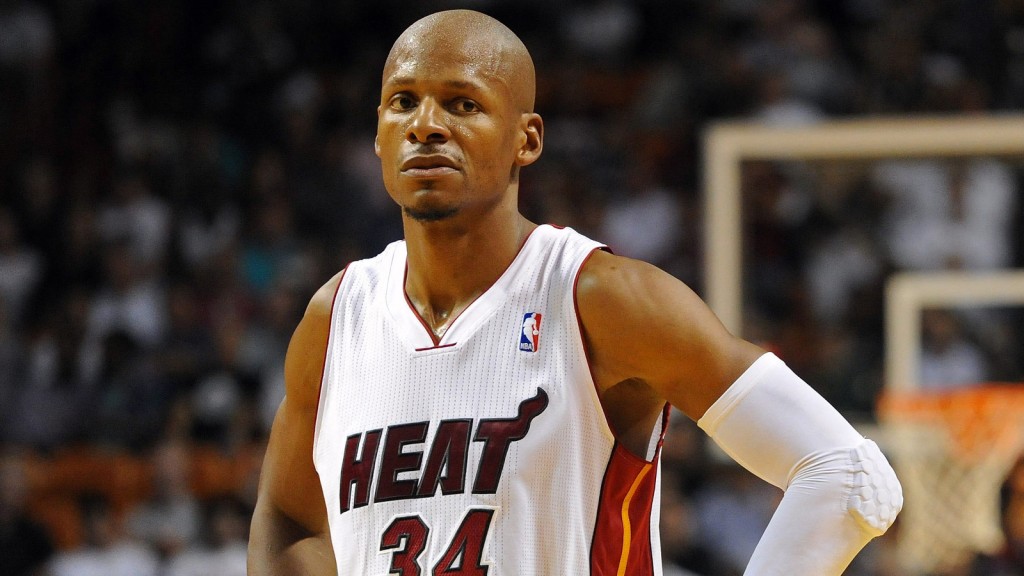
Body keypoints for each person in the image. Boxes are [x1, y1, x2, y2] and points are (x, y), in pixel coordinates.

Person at [247, 9, 902, 575]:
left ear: (526, 140)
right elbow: (287, 515)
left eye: (462, 103)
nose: (426, 125)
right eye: (403, 102)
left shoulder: (602, 299)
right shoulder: (338, 317)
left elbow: (846, 475)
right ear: (379, 137)